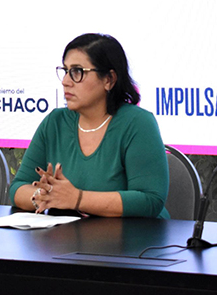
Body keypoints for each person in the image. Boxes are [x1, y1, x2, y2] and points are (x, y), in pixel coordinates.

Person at [10, 33, 169, 218]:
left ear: (109, 79)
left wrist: (76, 199)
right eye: (65, 71)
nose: (65, 81)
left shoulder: (138, 123)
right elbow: (18, 188)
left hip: (136, 235)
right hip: (68, 234)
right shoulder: (55, 122)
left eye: (77, 72)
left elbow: (150, 200)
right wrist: (44, 196)